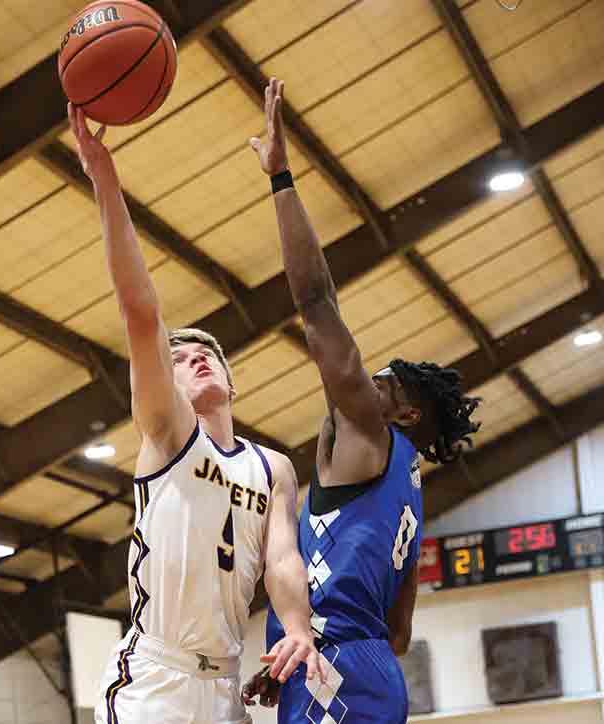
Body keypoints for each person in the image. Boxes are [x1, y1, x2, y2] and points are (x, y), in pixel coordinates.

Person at [68, 101, 326, 724]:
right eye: (179, 359)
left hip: (226, 686)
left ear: (232, 380)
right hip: (155, 676)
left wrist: (297, 626)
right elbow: (141, 310)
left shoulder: (275, 469)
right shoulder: (170, 431)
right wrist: (105, 181)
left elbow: (283, 560)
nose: (196, 359)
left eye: (207, 354)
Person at [241, 79, 481, 723]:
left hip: (335, 668)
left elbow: (316, 303)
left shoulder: (369, 436)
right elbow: (397, 635)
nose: (366, 381)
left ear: (403, 413)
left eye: (386, 383)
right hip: (356, 667)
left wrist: (281, 178)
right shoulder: (408, 489)